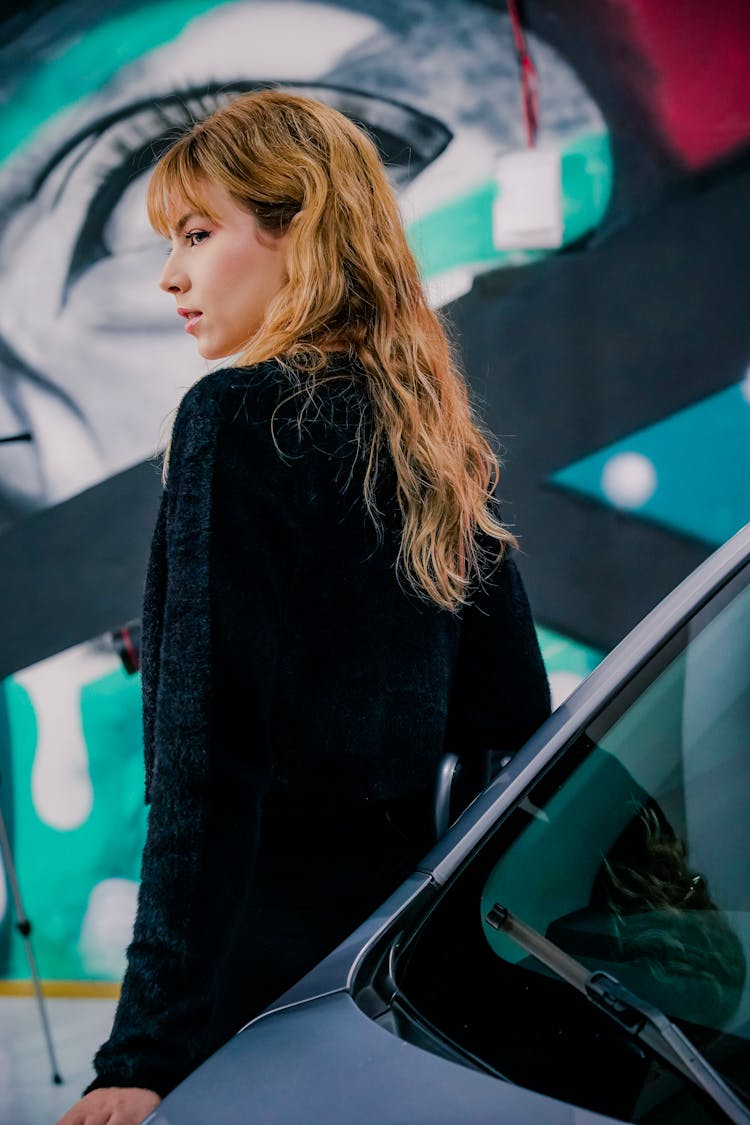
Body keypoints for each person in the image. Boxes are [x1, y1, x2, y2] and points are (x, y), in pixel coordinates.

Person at [55, 89, 551, 1125]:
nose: (170, 275)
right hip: (392, 961)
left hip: (251, 969)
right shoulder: (435, 436)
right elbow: (513, 729)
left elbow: (206, 758)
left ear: (302, 232)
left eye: (198, 233)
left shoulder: (235, 415)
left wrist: (142, 1051)